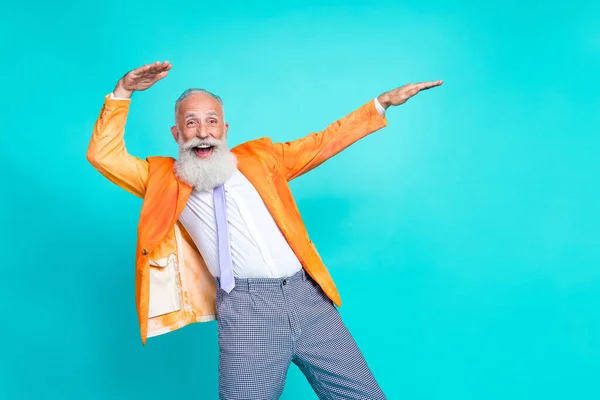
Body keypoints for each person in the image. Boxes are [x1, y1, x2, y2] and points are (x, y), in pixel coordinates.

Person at [87, 60, 442, 400]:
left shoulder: (262, 160)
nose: (203, 132)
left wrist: (380, 104)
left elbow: (321, 144)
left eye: (212, 121)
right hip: (246, 312)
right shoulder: (163, 179)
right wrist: (123, 93)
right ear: (176, 133)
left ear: (225, 130)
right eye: (191, 123)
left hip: (310, 300)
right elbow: (104, 156)